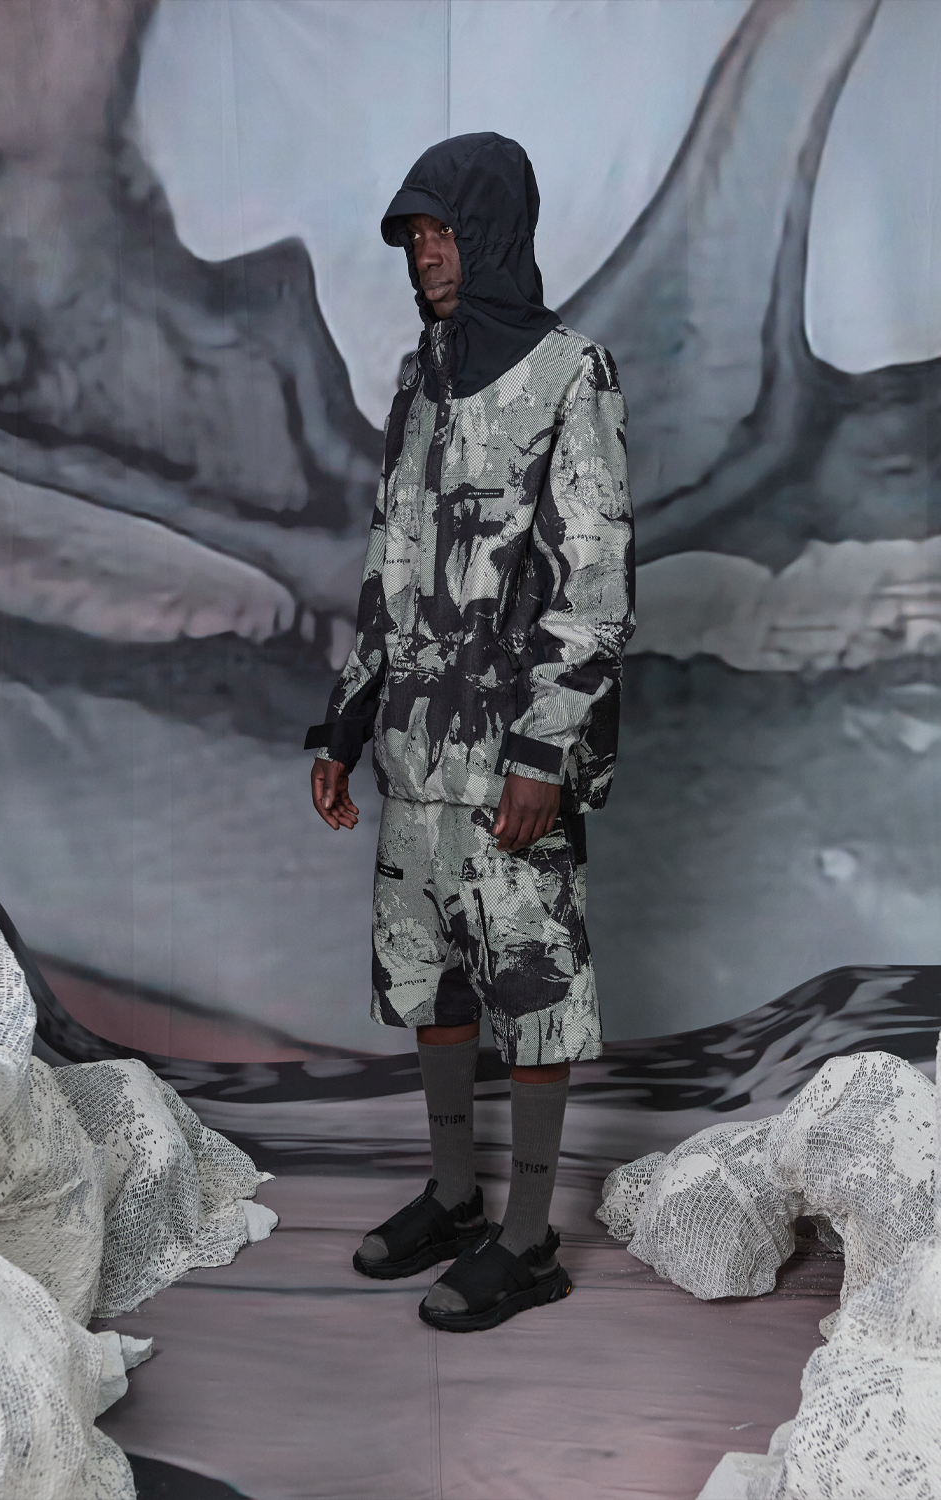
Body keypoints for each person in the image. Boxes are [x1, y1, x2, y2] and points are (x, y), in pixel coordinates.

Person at [305, 132, 634, 1332]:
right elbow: (389, 569)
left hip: (508, 765)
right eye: (413, 237)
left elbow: (593, 584)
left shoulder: (569, 374)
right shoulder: (420, 378)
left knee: (530, 986)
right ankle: (453, 1198)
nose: (425, 256)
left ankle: (529, 1238)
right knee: (429, 977)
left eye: (441, 232)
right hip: (412, 753)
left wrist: (545, 752)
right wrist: (344, 725)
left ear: (490, 234)